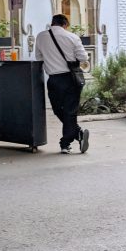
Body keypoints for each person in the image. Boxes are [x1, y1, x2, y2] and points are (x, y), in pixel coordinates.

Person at [35, 14, 89, 155]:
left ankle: (65, 143)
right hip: (71, 78)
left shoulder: (40, 37)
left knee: (58, 110)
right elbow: (83, 57)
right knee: (69, 112)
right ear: (65, 24)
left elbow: (38, 58)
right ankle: (78, 134)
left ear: (52, 23)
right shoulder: (72, 37)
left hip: (53, 79)